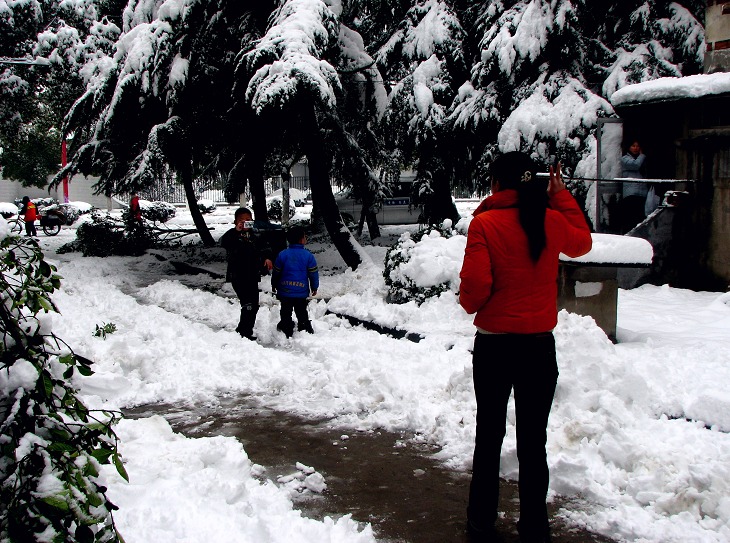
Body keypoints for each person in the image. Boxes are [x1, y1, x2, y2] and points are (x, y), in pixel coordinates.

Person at [459, 152, 592, 543]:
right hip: (538, 349)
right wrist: (561, 196)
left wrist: (472, 304)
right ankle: (534, 526)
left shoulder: (484, 224)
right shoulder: (550, 219)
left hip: (495, 349)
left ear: (496, 184)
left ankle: (481, 523)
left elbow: (473, 292)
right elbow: (582, 243)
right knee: (534, 442)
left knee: (489, 437)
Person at [220, 208, 273, 340]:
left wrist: (267, 257)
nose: (245, 223)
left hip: (252, 275)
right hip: (237, 275)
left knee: (254, 305)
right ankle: (243, 333)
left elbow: (265, 247)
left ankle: (245, 330)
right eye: (241, 220)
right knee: (248, 304)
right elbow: (224, 242)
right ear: (235, 222)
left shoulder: (255, 236)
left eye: (248, 220)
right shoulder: (232, 235)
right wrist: (236, 231)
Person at [271, 225, 319, 338]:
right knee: (301, 311)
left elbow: (276, 272)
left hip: (285, 291)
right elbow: (313, 273)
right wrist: (314, 286)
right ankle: (305, 327)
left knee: (285, 311)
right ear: (302, 240)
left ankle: (286, 327)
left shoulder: (283, 254)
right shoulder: (308, 256)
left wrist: (274, 284)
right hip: (300, 292)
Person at [620, 140, 651, 232]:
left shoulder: (642, 160)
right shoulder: (625, 159)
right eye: (633, 146)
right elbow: (635, 165)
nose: (636, 148)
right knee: (630, 217)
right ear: (629, 147)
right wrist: (642, 155)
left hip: (642, 193)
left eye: (637, 146)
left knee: (640, 217)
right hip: (631, 193)